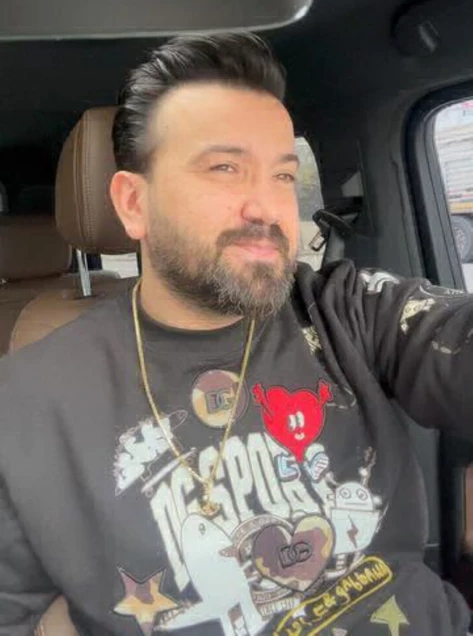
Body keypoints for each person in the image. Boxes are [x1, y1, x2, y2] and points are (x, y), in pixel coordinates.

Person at [0, 33, 472, 636]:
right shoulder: (28, 403)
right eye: (225, 168)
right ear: (133, 203)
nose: (268, 208)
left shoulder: (347, 311)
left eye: (282, 175)